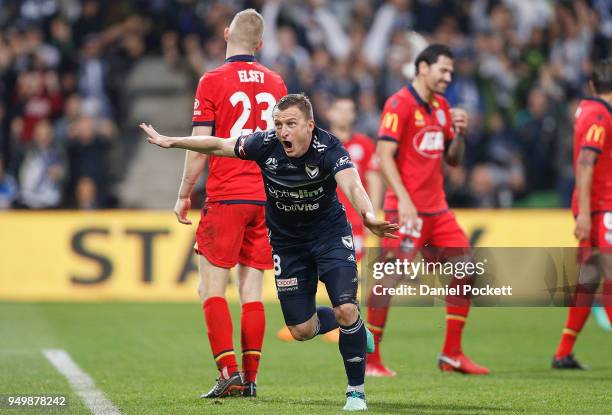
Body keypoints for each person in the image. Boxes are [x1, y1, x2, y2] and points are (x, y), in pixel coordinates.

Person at [141, 93, 399, 411]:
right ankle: (355, 326)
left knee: (346, 307)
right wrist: (173, 142)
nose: (283, 132)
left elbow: (353, 185)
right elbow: (219, 144)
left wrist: (369, 216)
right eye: (278, 124)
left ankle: (355, 393)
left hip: (329, 236)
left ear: (310, 124)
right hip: (288, 245)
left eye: (290, 124)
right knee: (301, 330)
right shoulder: (265, 144)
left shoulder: (329, 147)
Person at [177, 9, 287, 398]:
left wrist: (184, 192)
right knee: (252, 290)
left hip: (226, 195)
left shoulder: (212, 80)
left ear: (226, 34)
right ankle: (252, 378)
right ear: (260, 45)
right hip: (266, 198)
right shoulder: (276, 83)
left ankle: (228, 373)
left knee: (211, 288)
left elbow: (199, 144)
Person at [366, 44, 490, 377]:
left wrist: (459, 134)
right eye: (443, 70)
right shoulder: (399, 104)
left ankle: (452, 354)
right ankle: (370, 358)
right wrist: (403, 199)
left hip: (437, 211)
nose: (448, 77)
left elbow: (453, 158)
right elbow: (384, 154)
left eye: (451, 72)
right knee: (388, 279)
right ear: (423, 68)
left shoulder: (442, 107)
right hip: (404, 211)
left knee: (466, 269)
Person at [276, 96, 383, 343]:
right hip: (314, 220)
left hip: (350, 220)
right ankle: (311, 318)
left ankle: (347, 322)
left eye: (350, 110)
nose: (345, 115)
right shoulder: (312, 144)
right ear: (330, 113)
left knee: (343, 272)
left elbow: (373, 179)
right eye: (340, 109)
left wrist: (371, 214)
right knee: (311, 271)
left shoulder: (364, 145)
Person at [552, 58, 612, 369]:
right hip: (601, 209)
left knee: (589, 279)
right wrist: (587, 214)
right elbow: (586, 163)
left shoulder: (587, 110)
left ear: (592, 85)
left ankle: (563, 352)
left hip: (596, 207)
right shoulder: (600, 116)